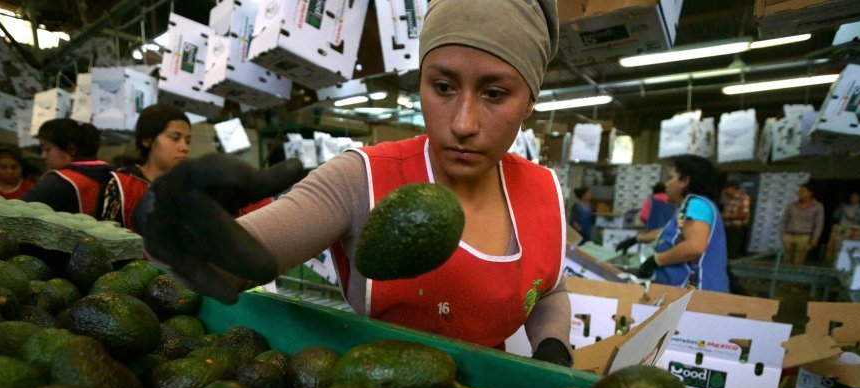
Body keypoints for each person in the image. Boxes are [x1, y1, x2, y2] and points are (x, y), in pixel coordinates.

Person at [135, 0, 573, 366]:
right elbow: (231, 261)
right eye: (442, 87)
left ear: (530, 100)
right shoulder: (361, 178)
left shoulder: (542, 191)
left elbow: (551, 288)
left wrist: (553, 343)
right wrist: (173, 228)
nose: (463, 123)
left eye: (494, 94)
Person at [616, 155, 729, 292]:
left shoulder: (696, 204)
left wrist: (656, 260)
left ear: (685, 181)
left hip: (697, 295)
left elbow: (694, 246)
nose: (666, 184)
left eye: (671, 178)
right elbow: (670, 232)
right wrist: (637, 239)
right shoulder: (688, 206)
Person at [101, 105, 191, 230]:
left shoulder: (188, 190)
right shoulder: (122, 184)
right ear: (147, 140)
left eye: (187, 141)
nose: (184, 147)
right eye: (175, 138)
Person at [20, 118, 113, 216]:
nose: (43, 156)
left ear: (71, 149)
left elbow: (17, 214)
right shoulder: (109, 176)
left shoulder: (58, 182)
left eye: (47, 149)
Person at [780, 182, 824, 265]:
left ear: (810, 193)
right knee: (786, 259)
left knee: (799, 260)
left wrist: (815, 238)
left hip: (804, 237)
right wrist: (782, 235)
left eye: (802, 191)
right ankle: (784, 277)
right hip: (789, 235)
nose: (799, 193)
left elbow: (819, 224)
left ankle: (794, 277)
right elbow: (784, 221)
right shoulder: (792, 205)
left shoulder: (818, 206)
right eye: (799, 191)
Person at [721, 180, 751, 259]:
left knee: (733, 250)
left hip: (737, 227)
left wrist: (728, 217)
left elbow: (744, 215)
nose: (726, 191)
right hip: (727, 227)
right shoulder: (728, 199)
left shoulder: (744, 198)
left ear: (733, 188)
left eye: (727, 189)